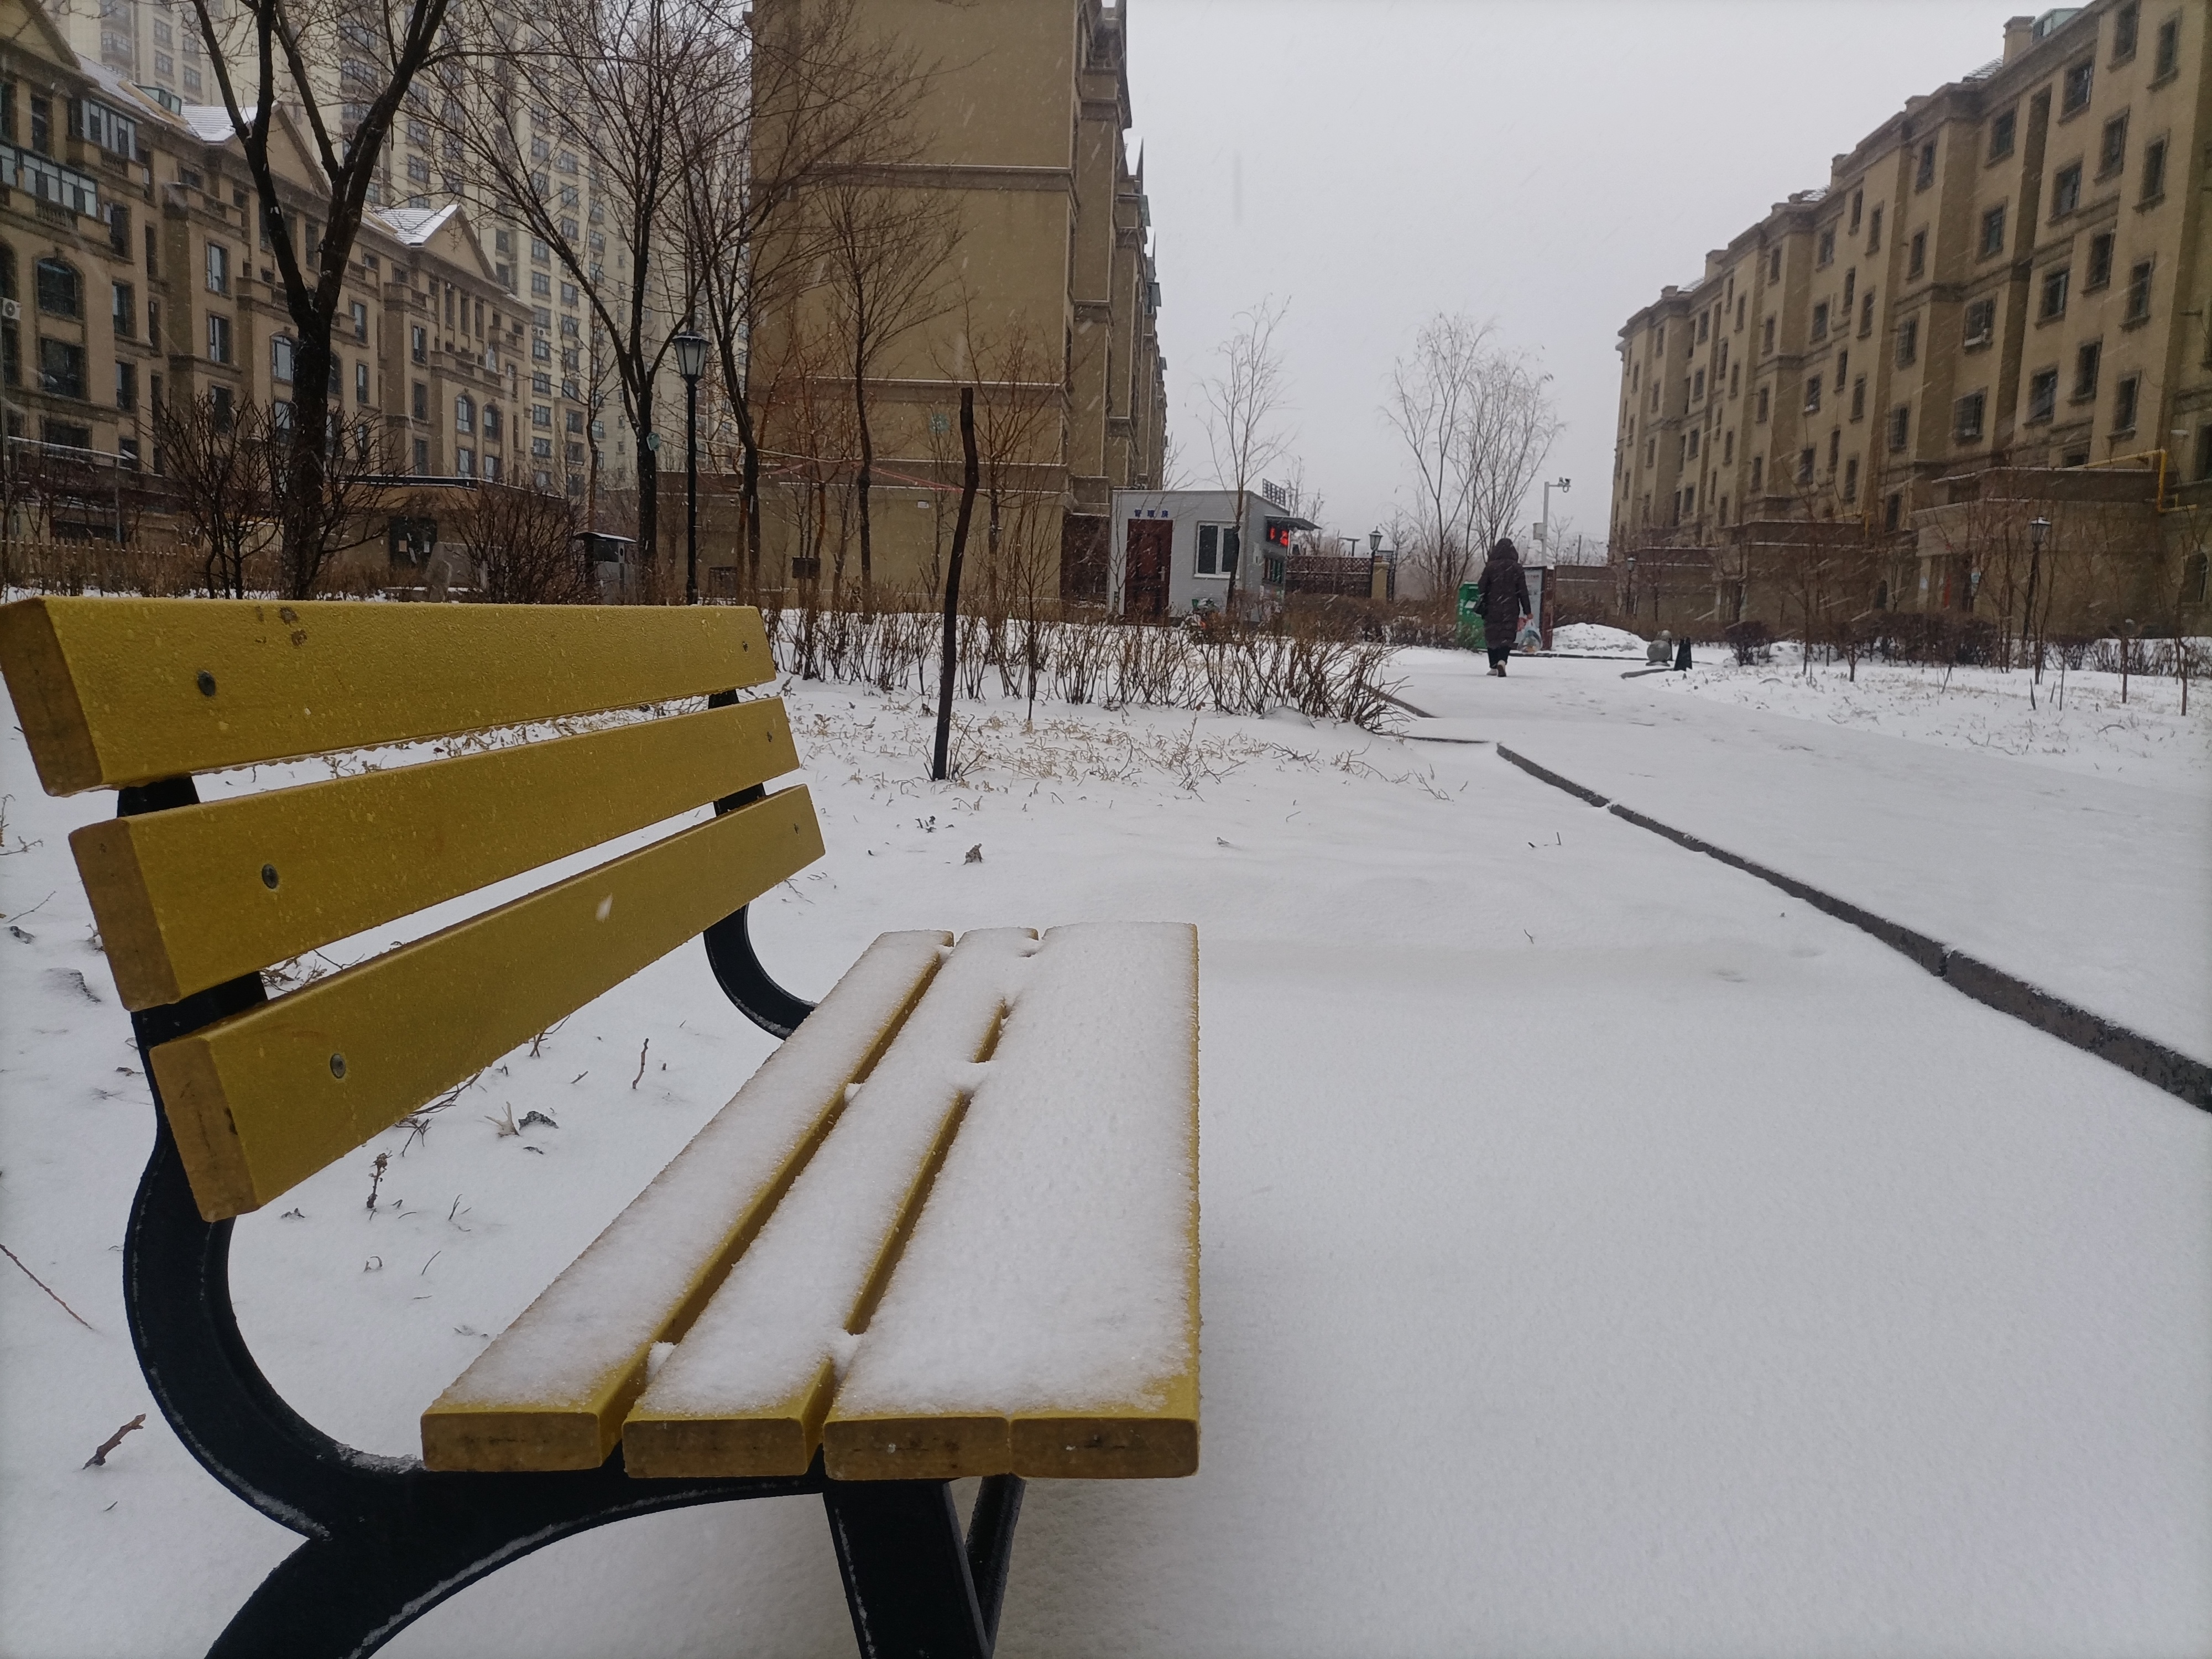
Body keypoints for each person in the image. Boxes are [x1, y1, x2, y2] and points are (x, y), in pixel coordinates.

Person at [1478, 539, 1532, 675]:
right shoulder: (1517, 568)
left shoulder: (1490, 567)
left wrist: (1486, 597)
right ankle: (1503, 661)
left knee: (1493, 635)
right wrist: (1528, 611)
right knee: (1506, 636)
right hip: (1511, 608)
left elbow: (1481, 587)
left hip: (1492, 607)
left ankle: (1493, 666)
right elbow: (1523, 591)